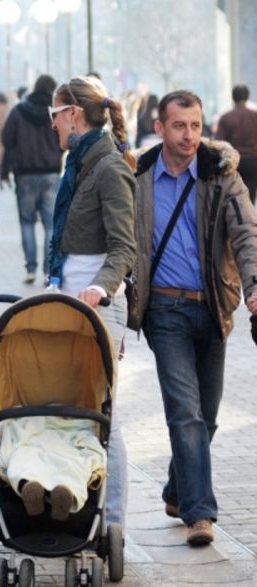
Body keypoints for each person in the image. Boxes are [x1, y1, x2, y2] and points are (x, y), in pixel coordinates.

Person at [128, 89, 257, 547]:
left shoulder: (221, 176)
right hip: (164, 309)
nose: (189, 135)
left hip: (213, 306)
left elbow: (245, 233)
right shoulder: (139, 178)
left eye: (196, 126)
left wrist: (254, 285)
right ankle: (199, 513)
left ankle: (175, 488)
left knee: (208, 415)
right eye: (179, 126)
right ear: (160, 128)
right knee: (185, 413)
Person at [48, 75, 137, 530]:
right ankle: (77, 505)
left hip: (100, 306)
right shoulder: (79, 162)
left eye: (54, 115)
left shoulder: (109, 166)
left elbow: (125, 246)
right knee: (72, 409)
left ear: (74, 115)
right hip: (71, 301)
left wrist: (100, 288)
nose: (53, 125)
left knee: (105, 414)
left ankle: (113, 525)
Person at [2, 75, 63, 285]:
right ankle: (48, 271)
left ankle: (30, 269)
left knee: (27, 222)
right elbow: (64, 139)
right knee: (50, 225)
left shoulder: (19, 111)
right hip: (51, 172)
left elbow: (6, 139)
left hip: (25, 174)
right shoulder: (54, 113)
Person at [216, 84, 257, 203]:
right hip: (253, 161)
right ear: (247, 97)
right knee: (251, 194)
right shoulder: (255, 116)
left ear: (233, 98)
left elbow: (220, 143)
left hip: (234, 163)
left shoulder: (225, 118)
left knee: (234, 197)